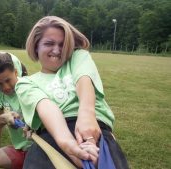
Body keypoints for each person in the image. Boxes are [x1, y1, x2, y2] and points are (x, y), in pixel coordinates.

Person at [15, 16, 129, 168]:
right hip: (52, 136)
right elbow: (47, 107)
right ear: (36, 46)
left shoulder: (78, 57)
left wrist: (88, 126)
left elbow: (84, 80)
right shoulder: (25, 83)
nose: (56, 50)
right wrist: (70, 146)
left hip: (94, 130)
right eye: (49, 43)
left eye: (62, 44)